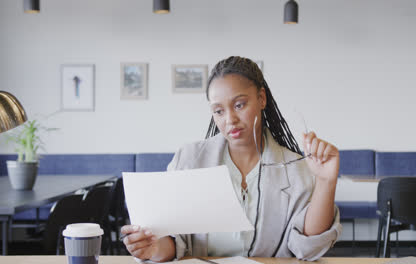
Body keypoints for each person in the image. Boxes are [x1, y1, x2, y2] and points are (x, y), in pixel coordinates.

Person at [121, 56, 342, 262]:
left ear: (261, 98)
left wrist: (326, 182)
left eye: (239, 105)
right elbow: (172, 244)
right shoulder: (188, 161)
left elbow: (308, 247)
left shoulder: (297, 169)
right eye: (218, 111)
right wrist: (152, 247)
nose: (230, 120)